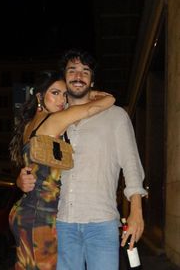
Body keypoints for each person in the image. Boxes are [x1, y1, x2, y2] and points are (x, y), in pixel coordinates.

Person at [17, 49, 147, 270]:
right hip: (62, 223)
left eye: (85, 71)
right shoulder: (55, 116)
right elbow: (35, 157)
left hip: (102, 222)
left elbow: (131, 164)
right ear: (64, 79)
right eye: (72, 70)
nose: (78, 76)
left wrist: (136, 212)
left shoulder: (116, 115)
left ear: (92, 80)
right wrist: (21, 179)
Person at [9, 70, 115, 270]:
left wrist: (19, 181)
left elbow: (32, 170)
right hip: (42, 217)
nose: (62, 100)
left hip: (25, 212)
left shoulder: (27, 127)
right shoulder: (54, 120)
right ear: (40, 96)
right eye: (55, 93)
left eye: (65, 94)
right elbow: (107, 101)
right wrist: (86, 94)